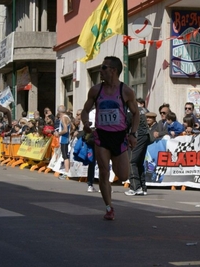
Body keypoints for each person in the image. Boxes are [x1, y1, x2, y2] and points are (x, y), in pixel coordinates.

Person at [81, 56, 139, 220]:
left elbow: (136, 114)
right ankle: (109, 207)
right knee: (104, 172)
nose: (101, 70)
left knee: (124, 176)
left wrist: (133, 134)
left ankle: (117, 164)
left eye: (104, 67)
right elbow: (85, 110)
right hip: (101, 136)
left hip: (119, 136)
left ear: (113, 70)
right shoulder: (96, 90)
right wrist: (86, 122)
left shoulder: (125, 91)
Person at [125, 98, 150, 196]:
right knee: (138, 162)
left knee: (131, 161)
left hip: (137, 135)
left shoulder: (128, 109)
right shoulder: (142, 109)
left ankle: (135, 187)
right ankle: (142, 187)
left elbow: (126, 125)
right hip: (146, 135)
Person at [54, 105, 71, 180]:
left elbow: (65, 130)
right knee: (65, 155)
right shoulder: (68, 117)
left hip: (64, 138)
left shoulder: (64, 118)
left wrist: (58, 133)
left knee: (65, 155)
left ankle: (66, 172)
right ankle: (66, 172)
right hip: (67, 138)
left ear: (59, 112)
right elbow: (72, 127)